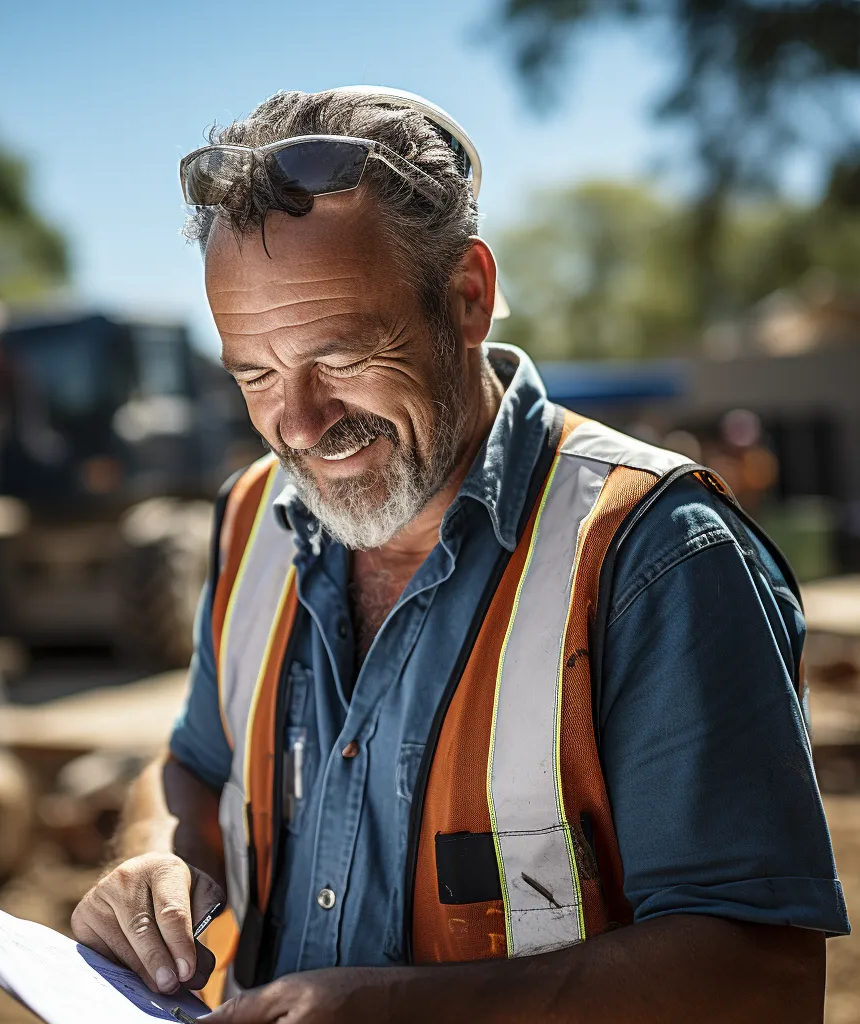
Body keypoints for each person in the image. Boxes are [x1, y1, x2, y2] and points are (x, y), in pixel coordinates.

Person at [72, 87, 849, 1022]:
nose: (301, 423)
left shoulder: (654, 555)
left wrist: (400, 1010)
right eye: (256, 374)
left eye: (343, 356)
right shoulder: (250, 517)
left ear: (468, 298)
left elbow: (763, 977)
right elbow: (194, 766)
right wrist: (154, 855)